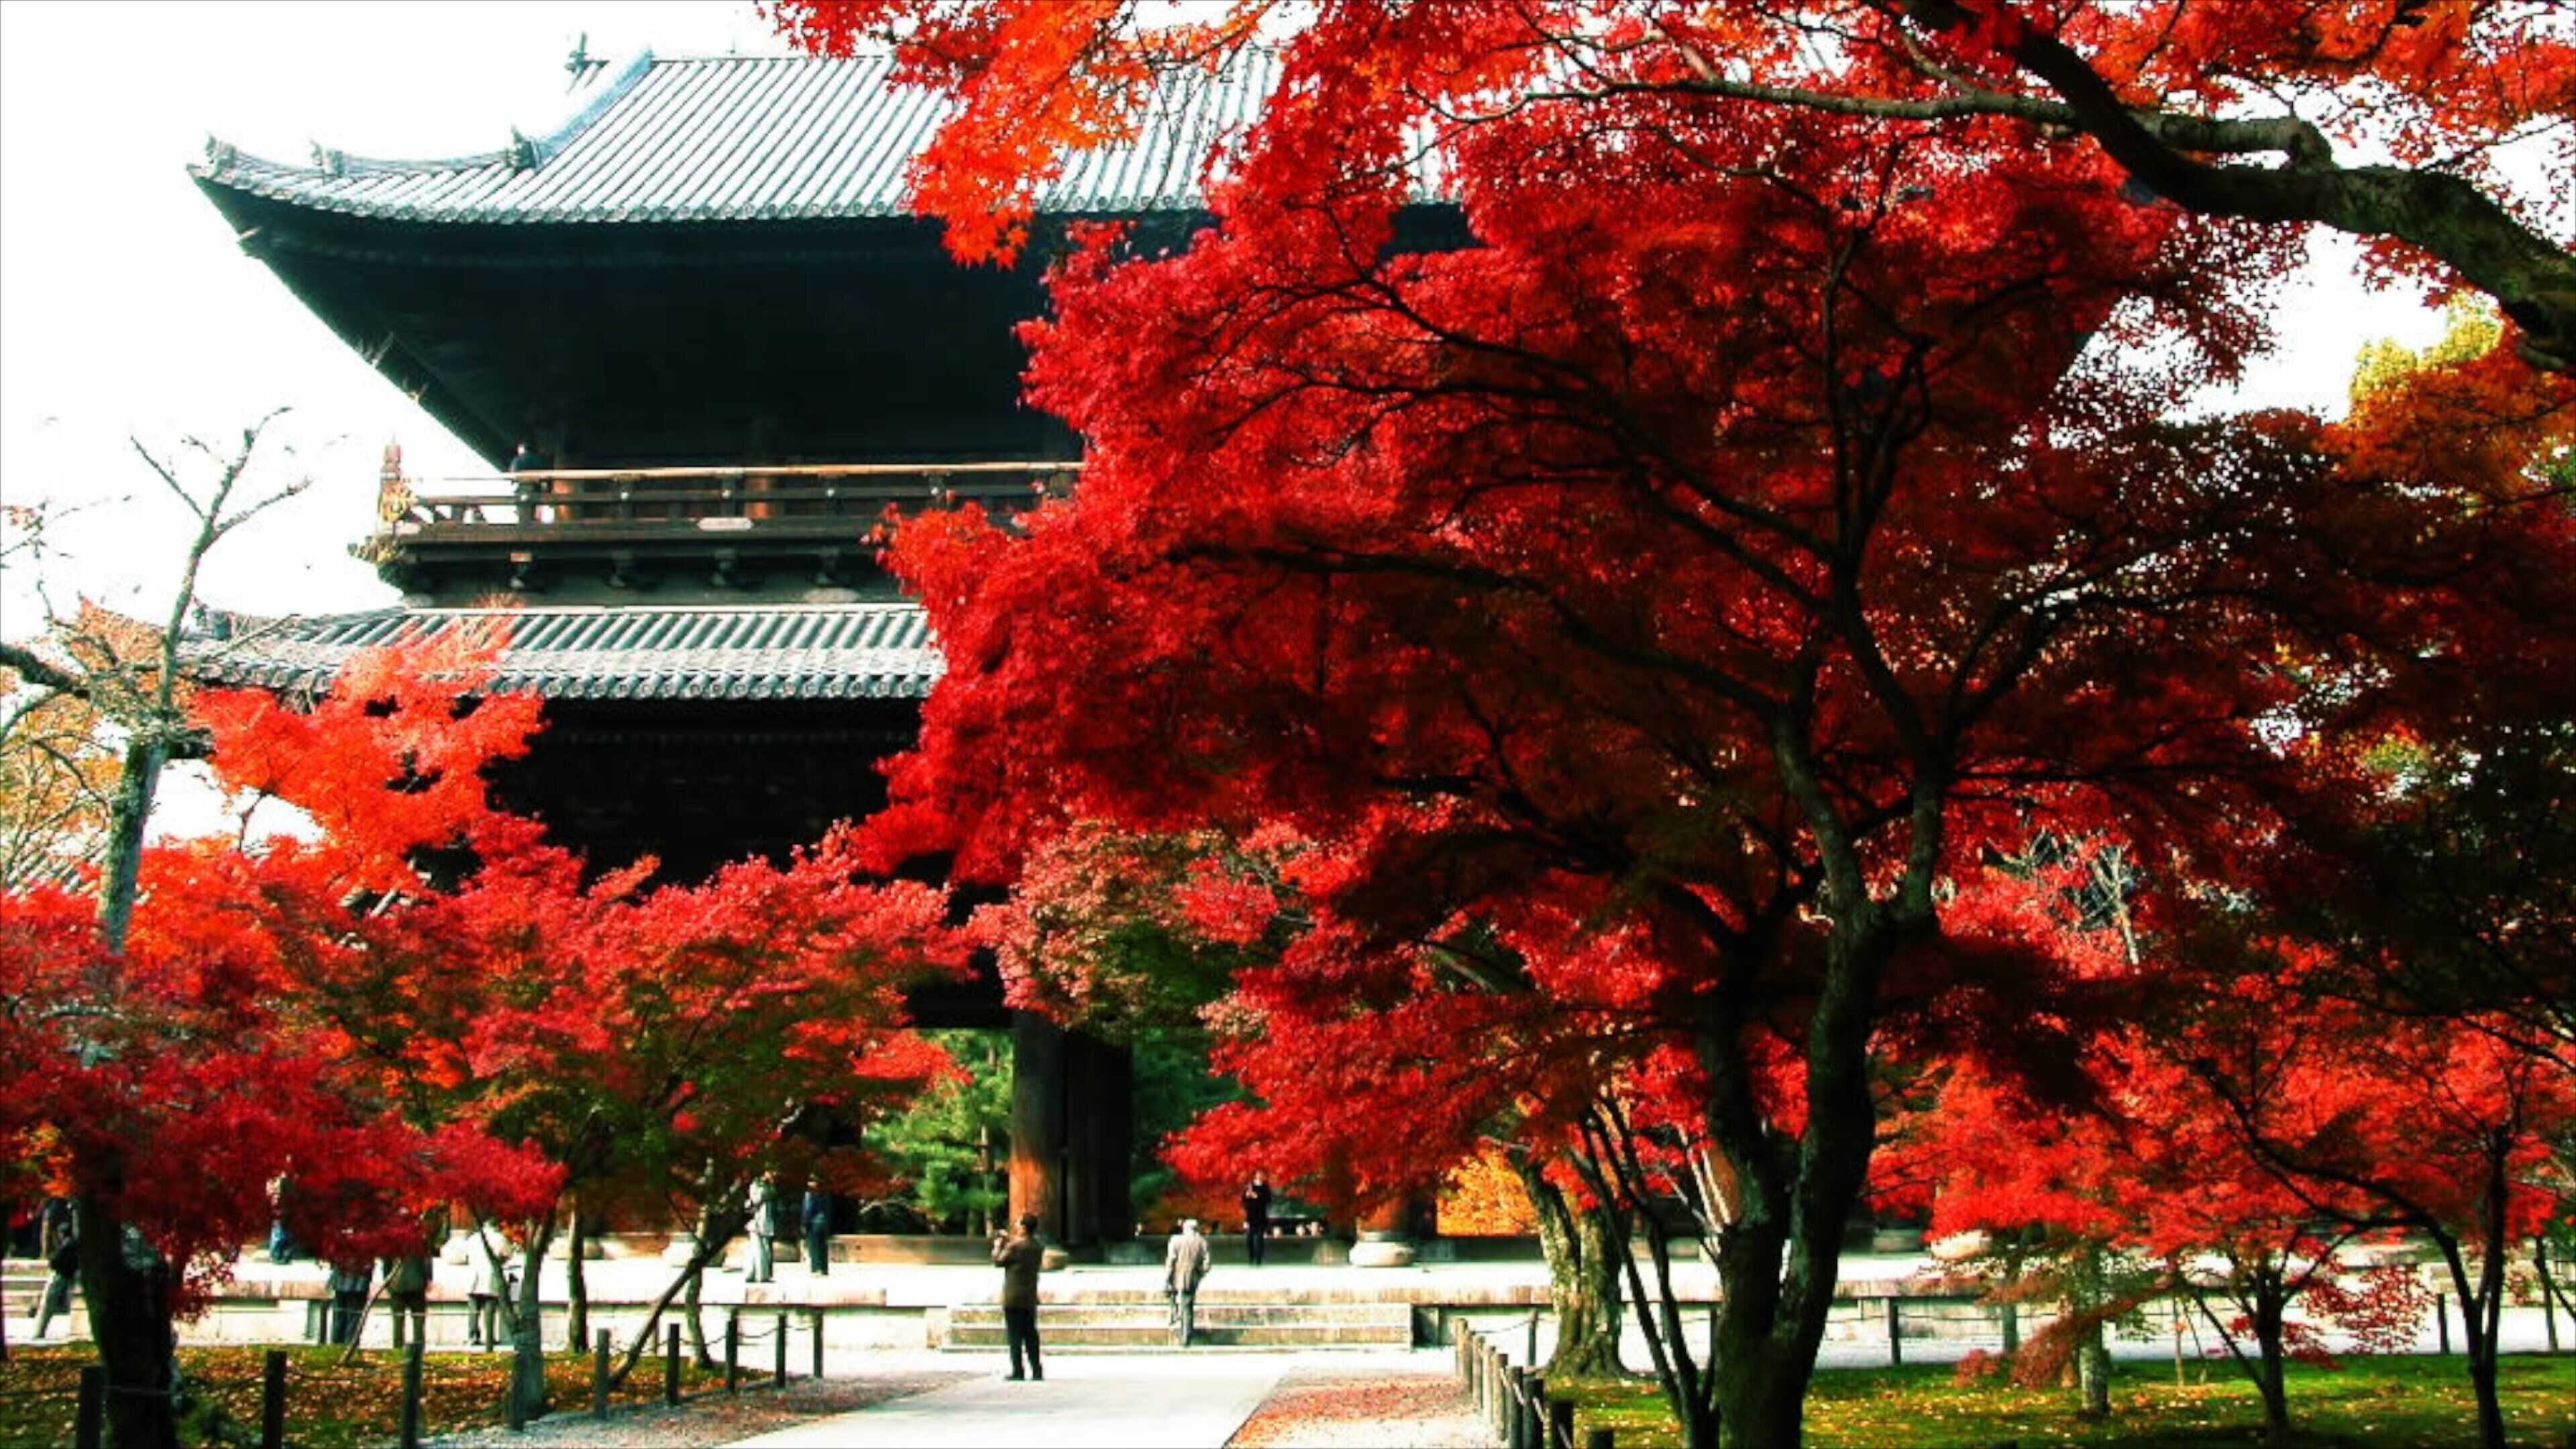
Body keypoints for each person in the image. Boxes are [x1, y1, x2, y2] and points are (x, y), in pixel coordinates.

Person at [991, 1212, 1046, 1381]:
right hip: (1029, 1296)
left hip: (1013, 1296)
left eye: (1018, 1224)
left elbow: (998, 1261)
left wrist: (998, 1245)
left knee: (1015, 1336)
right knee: (1031, 1334)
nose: (1015, 1226)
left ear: (1023, 1227)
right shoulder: (1038, 1246)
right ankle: (1037, 1370)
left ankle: (1018, 1370)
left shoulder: (1014, 1247)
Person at [1163, 1218, 1214, 1348]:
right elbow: (1207, 1264)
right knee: (1188, 1304)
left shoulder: (1176, 1240)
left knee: (1181, 1303)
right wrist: (1199, 1274)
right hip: (1192, 1276)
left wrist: (1167, 1278)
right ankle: (1186, 1332)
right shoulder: (1202, 1242)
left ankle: (1184, 1333)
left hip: (1177, 1275)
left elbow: (1171, 1261)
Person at [32, 1218, 78, 1340]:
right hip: (68, 1276)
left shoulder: (66, 1246)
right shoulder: (73, 1245)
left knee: (47, 1306)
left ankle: (39, 1332)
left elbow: (55, 1261)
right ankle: (40, 1332)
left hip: (60, 1276)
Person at [381, 1248, 432, 1349]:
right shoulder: (420, 1241)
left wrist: (387, 1283)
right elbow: (427, 1263)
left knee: (398, 1320)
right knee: (418, 1319)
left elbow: (386, 1265)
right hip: (417, 1284)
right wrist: (428, 1280)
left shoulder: (392, 1242)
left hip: (397, 1285)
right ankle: (418, 1348)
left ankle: (398, 1347)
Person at [465, 1226, 505, 1348]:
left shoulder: (472, 1239)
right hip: (490, 1277)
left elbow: (466, 1257)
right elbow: (506, 1255)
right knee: (490, 1311)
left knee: (473, 1311)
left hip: (474, 1278)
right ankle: (489, 1338)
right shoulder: (499, 1238)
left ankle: (473, 1337)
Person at [326, 1256, 374, 1346]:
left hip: (342, 1280)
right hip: (357, 1282)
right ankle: (347, 1347)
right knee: (352, 1319)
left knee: (340, 1318)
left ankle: (337, 1346)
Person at [745, 1177, 777, 1284]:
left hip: (762, 1222)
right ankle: (761, 1275)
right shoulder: (758, 1186)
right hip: (757, 1222)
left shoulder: (767, 1187)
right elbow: (757, 1199)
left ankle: (752, 1274)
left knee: (758, 1249)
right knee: (759, 1250)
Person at [1242, 1171, 1275, 1267]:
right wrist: (1247, 1196)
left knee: (1260, 1239)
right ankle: (1251, 1257)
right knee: (1250, 1239)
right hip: (1251, 1217)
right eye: (1258, 1174)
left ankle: (1259, 1259)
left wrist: (1257, 1196)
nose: (1260, 1176)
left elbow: (1268, 1199)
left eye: (1261, 1174)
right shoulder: (1249, 1186)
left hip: (1261, 1217)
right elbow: (1244, 1200)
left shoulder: (1265, 1187)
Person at [802, 1187, 833, 1276]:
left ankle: (816, 1268)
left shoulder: (809, 1195)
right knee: (823, 1247)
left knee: (814, 1247)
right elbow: (829, 1210)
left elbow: (808, 1210)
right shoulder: (826, 1195)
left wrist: (805, 1223)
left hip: (813, 1224)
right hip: (824, 1223)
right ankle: (824, 1269)